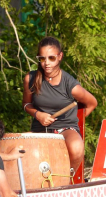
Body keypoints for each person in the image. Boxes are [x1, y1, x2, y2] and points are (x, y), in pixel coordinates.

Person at [22, 36, 97, 171]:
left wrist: (75, 121)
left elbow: (92, 103)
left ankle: (66, 180)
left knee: (76, 147)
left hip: (66, 128)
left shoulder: (71, 85)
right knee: (18, 148)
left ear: (60, 56)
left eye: (51, 58)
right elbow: (26, 105)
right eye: (42, 58)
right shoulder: (30, 78)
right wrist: (38, 115)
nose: (46, 63)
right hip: (40, 129)